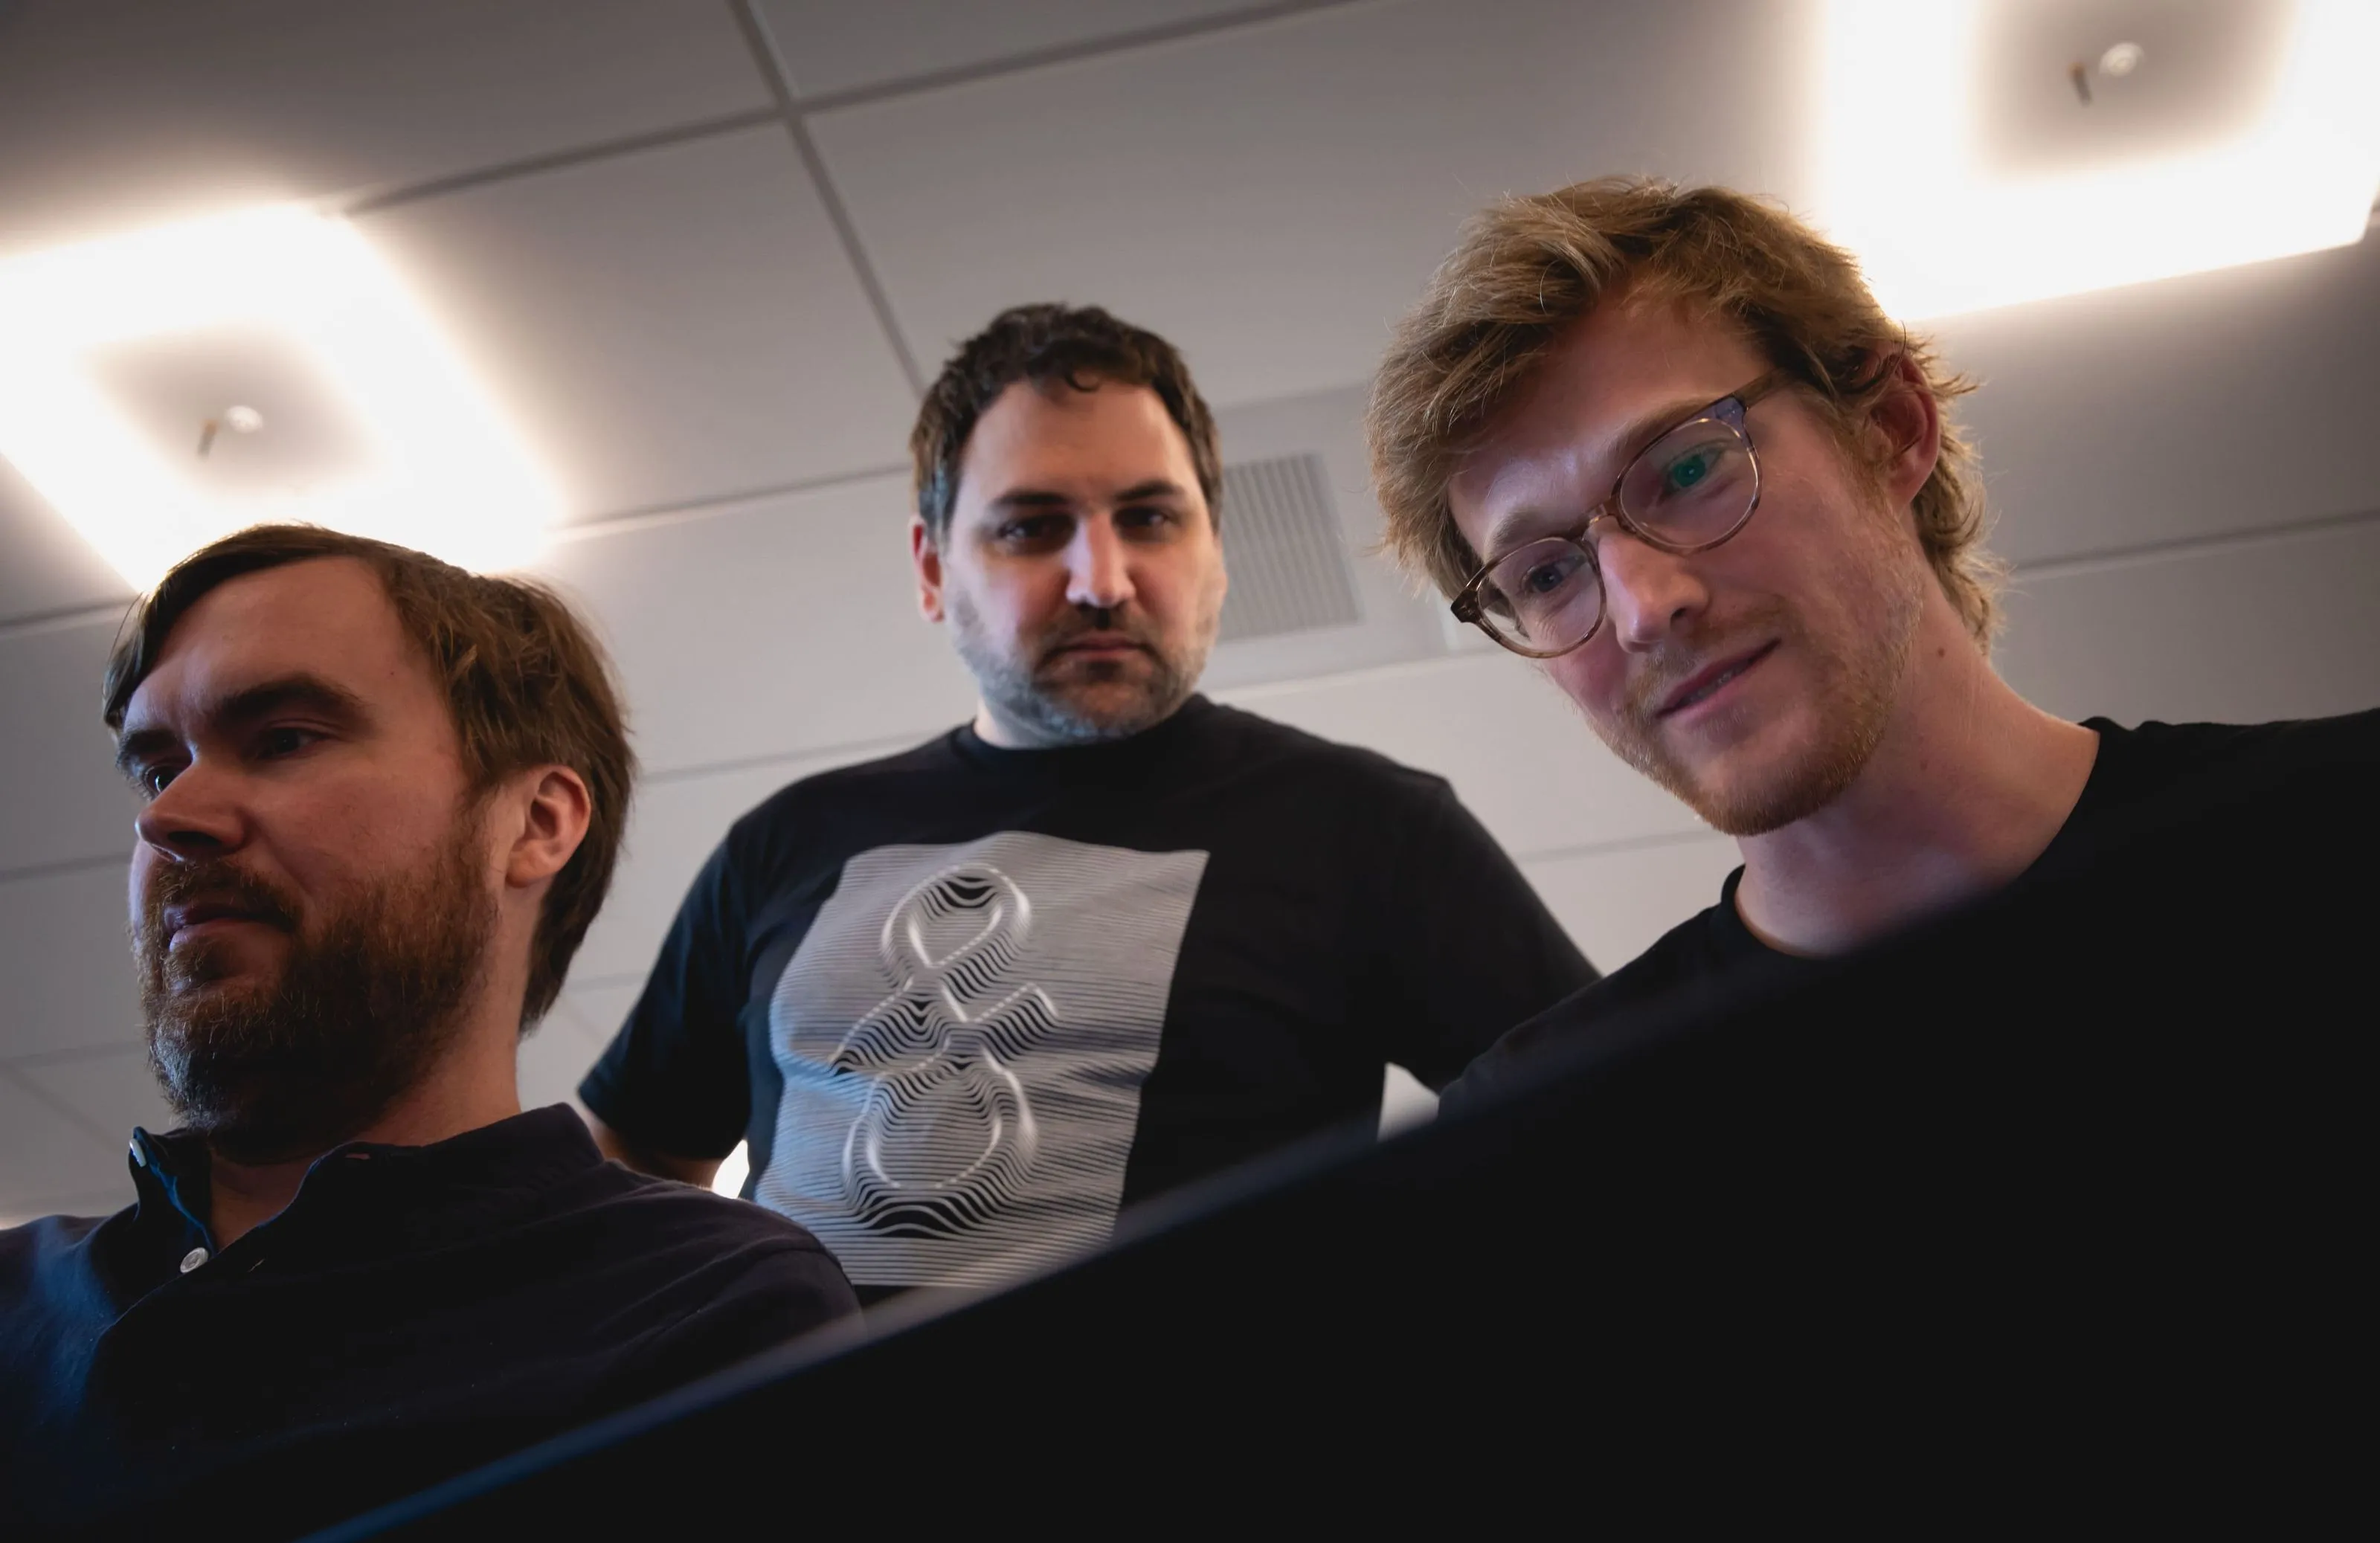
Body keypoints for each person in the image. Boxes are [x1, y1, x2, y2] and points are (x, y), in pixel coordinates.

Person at [581, 303, 1593, 1301]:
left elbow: (1614, 1121)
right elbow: (627, 1154)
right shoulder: (787, 841)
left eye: (1150, 518)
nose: (1102, 579)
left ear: (1215, 554)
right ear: (934, 569)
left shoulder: (1369, 828)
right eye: (1032, 527)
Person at [1363, 178, 2380, 1099]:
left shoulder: (2336, 826)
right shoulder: (1545, 1127)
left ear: (1890, 427)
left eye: (1684, 471)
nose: (1640, 608)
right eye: (1545, 573)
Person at [0, 525, 858, 1543]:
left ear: (535, 820)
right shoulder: (17, 1301)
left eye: (285, 736)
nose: (171, 816)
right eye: (155, 768)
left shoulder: (707, 1311)